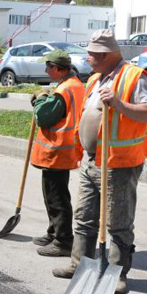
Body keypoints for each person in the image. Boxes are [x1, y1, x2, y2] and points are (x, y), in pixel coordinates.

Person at [52, 29, 147, 294]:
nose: (87, 58)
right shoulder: (96, 79)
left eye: (92, 54)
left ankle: (117, 274)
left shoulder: (135, 77)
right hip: (92, 162)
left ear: (107, 55)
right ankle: (79, 266)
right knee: (85, 217)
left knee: (118, 223)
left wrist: (119, 104)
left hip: (119, 164)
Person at [29, 50, 86, 257]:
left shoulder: (65, 90)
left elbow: (44, 117)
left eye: (47, 67)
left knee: (57, 198)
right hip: (63, 151)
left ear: (56, 68)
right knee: (54, 195)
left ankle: (63, 241)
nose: (45, 70)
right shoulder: (75, 85)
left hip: (57, 152)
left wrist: (39, 101)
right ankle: (54, 232)